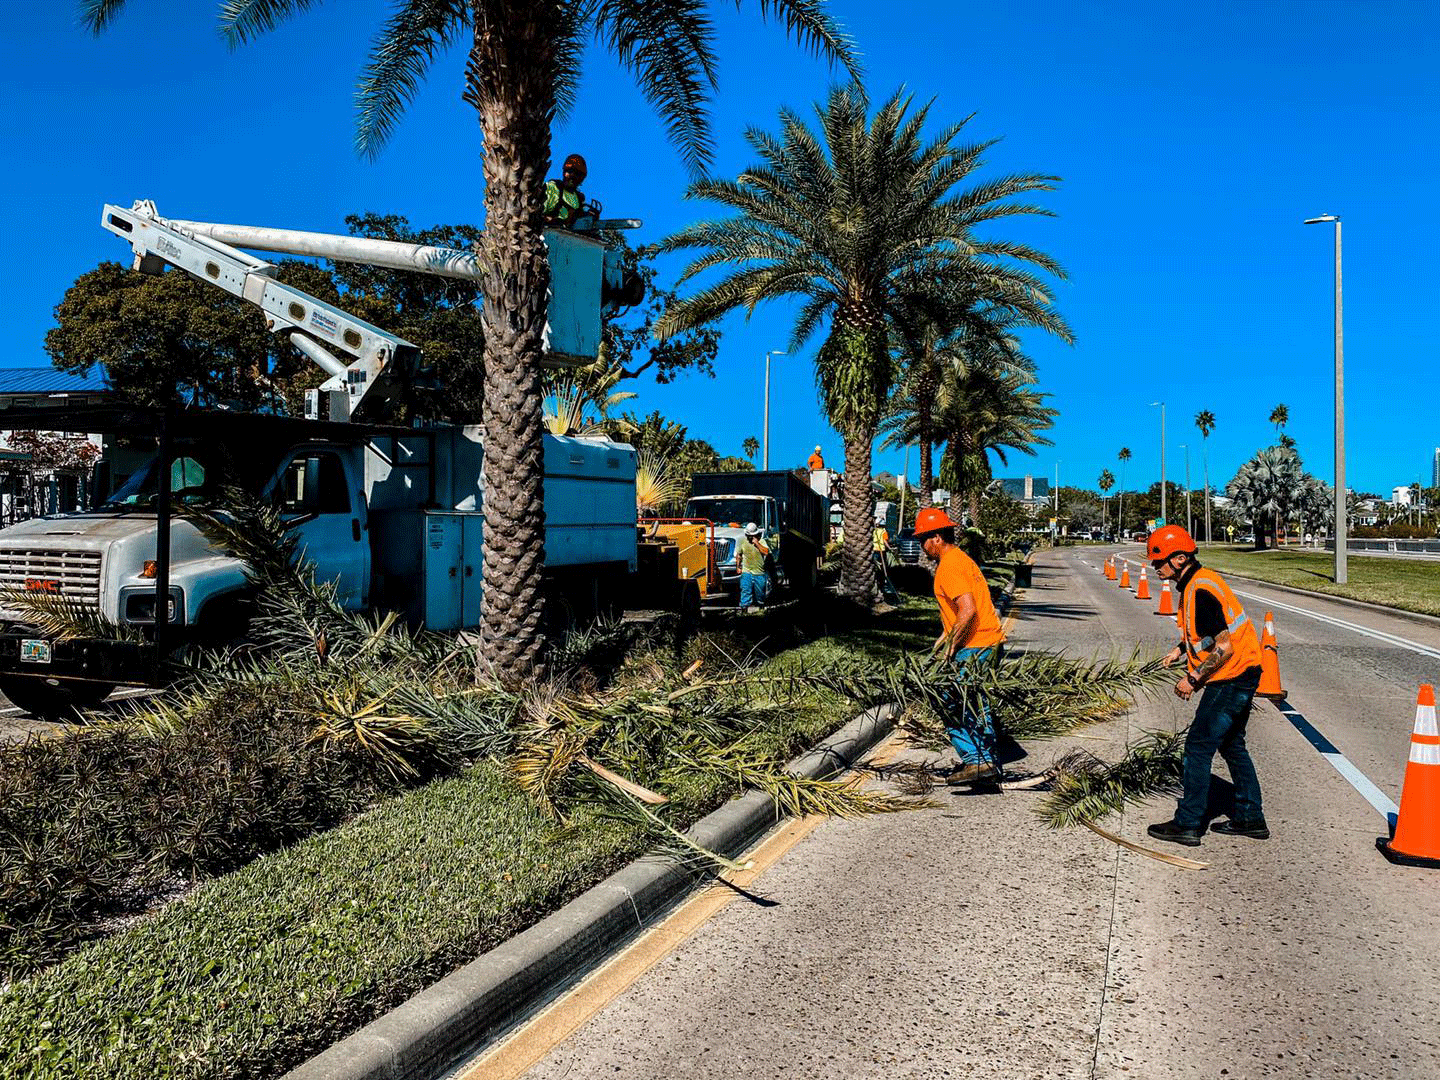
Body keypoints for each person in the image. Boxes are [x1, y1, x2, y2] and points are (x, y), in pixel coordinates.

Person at [1143, 525, 1269, 846]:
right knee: (1231, 745)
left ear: (1181, 558)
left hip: (1231, 675)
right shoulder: (1196, 583)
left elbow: (1224, 646)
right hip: (1244, 670)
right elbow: (1209, 634)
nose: (1155, 567)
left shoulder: (1199, 590)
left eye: (1159, 561)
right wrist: (1180, 650)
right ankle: (1249, 816)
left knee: (1198, 747)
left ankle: (1189, 822)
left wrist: (1193, 678)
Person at [913, 507, 1006, 784]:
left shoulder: (948, 567)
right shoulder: (962, 559)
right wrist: (940, 644)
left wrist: (953, 646)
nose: (922, 546)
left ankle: (978, 761)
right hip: (988, 640)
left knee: (952, 702)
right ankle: (986, 761)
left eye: (923, 540)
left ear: (937, 537)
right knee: (975, 703)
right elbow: (957, 615)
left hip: (974, 646)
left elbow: (967, 610)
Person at [543, 153, 589, 229]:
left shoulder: (579, 198)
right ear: (564, 172)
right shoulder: (552, 188)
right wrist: (552, 220)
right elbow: (535, 212)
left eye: (577, 174)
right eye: (570, 172)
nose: (572, 176)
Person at [738, 522, 770, 612]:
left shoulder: (762, 541)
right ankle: (744, 608)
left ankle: (761, 607)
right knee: (745, 589)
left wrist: (757, 544)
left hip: (759, 572)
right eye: (749, 535)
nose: (750, 537)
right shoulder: (742, 542)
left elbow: (766, 552)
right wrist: (738, 566)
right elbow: (739, 555)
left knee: (760, 592)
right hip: (747, 571)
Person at [872, 514, 899, 603]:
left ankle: (879, 581)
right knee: (883, 569)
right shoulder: (884, 532)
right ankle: (882, 582)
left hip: (874, 551)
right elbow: (885, 541)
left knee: (876, 567)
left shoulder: (874, 531)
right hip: (881, 551)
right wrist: (890, 548)